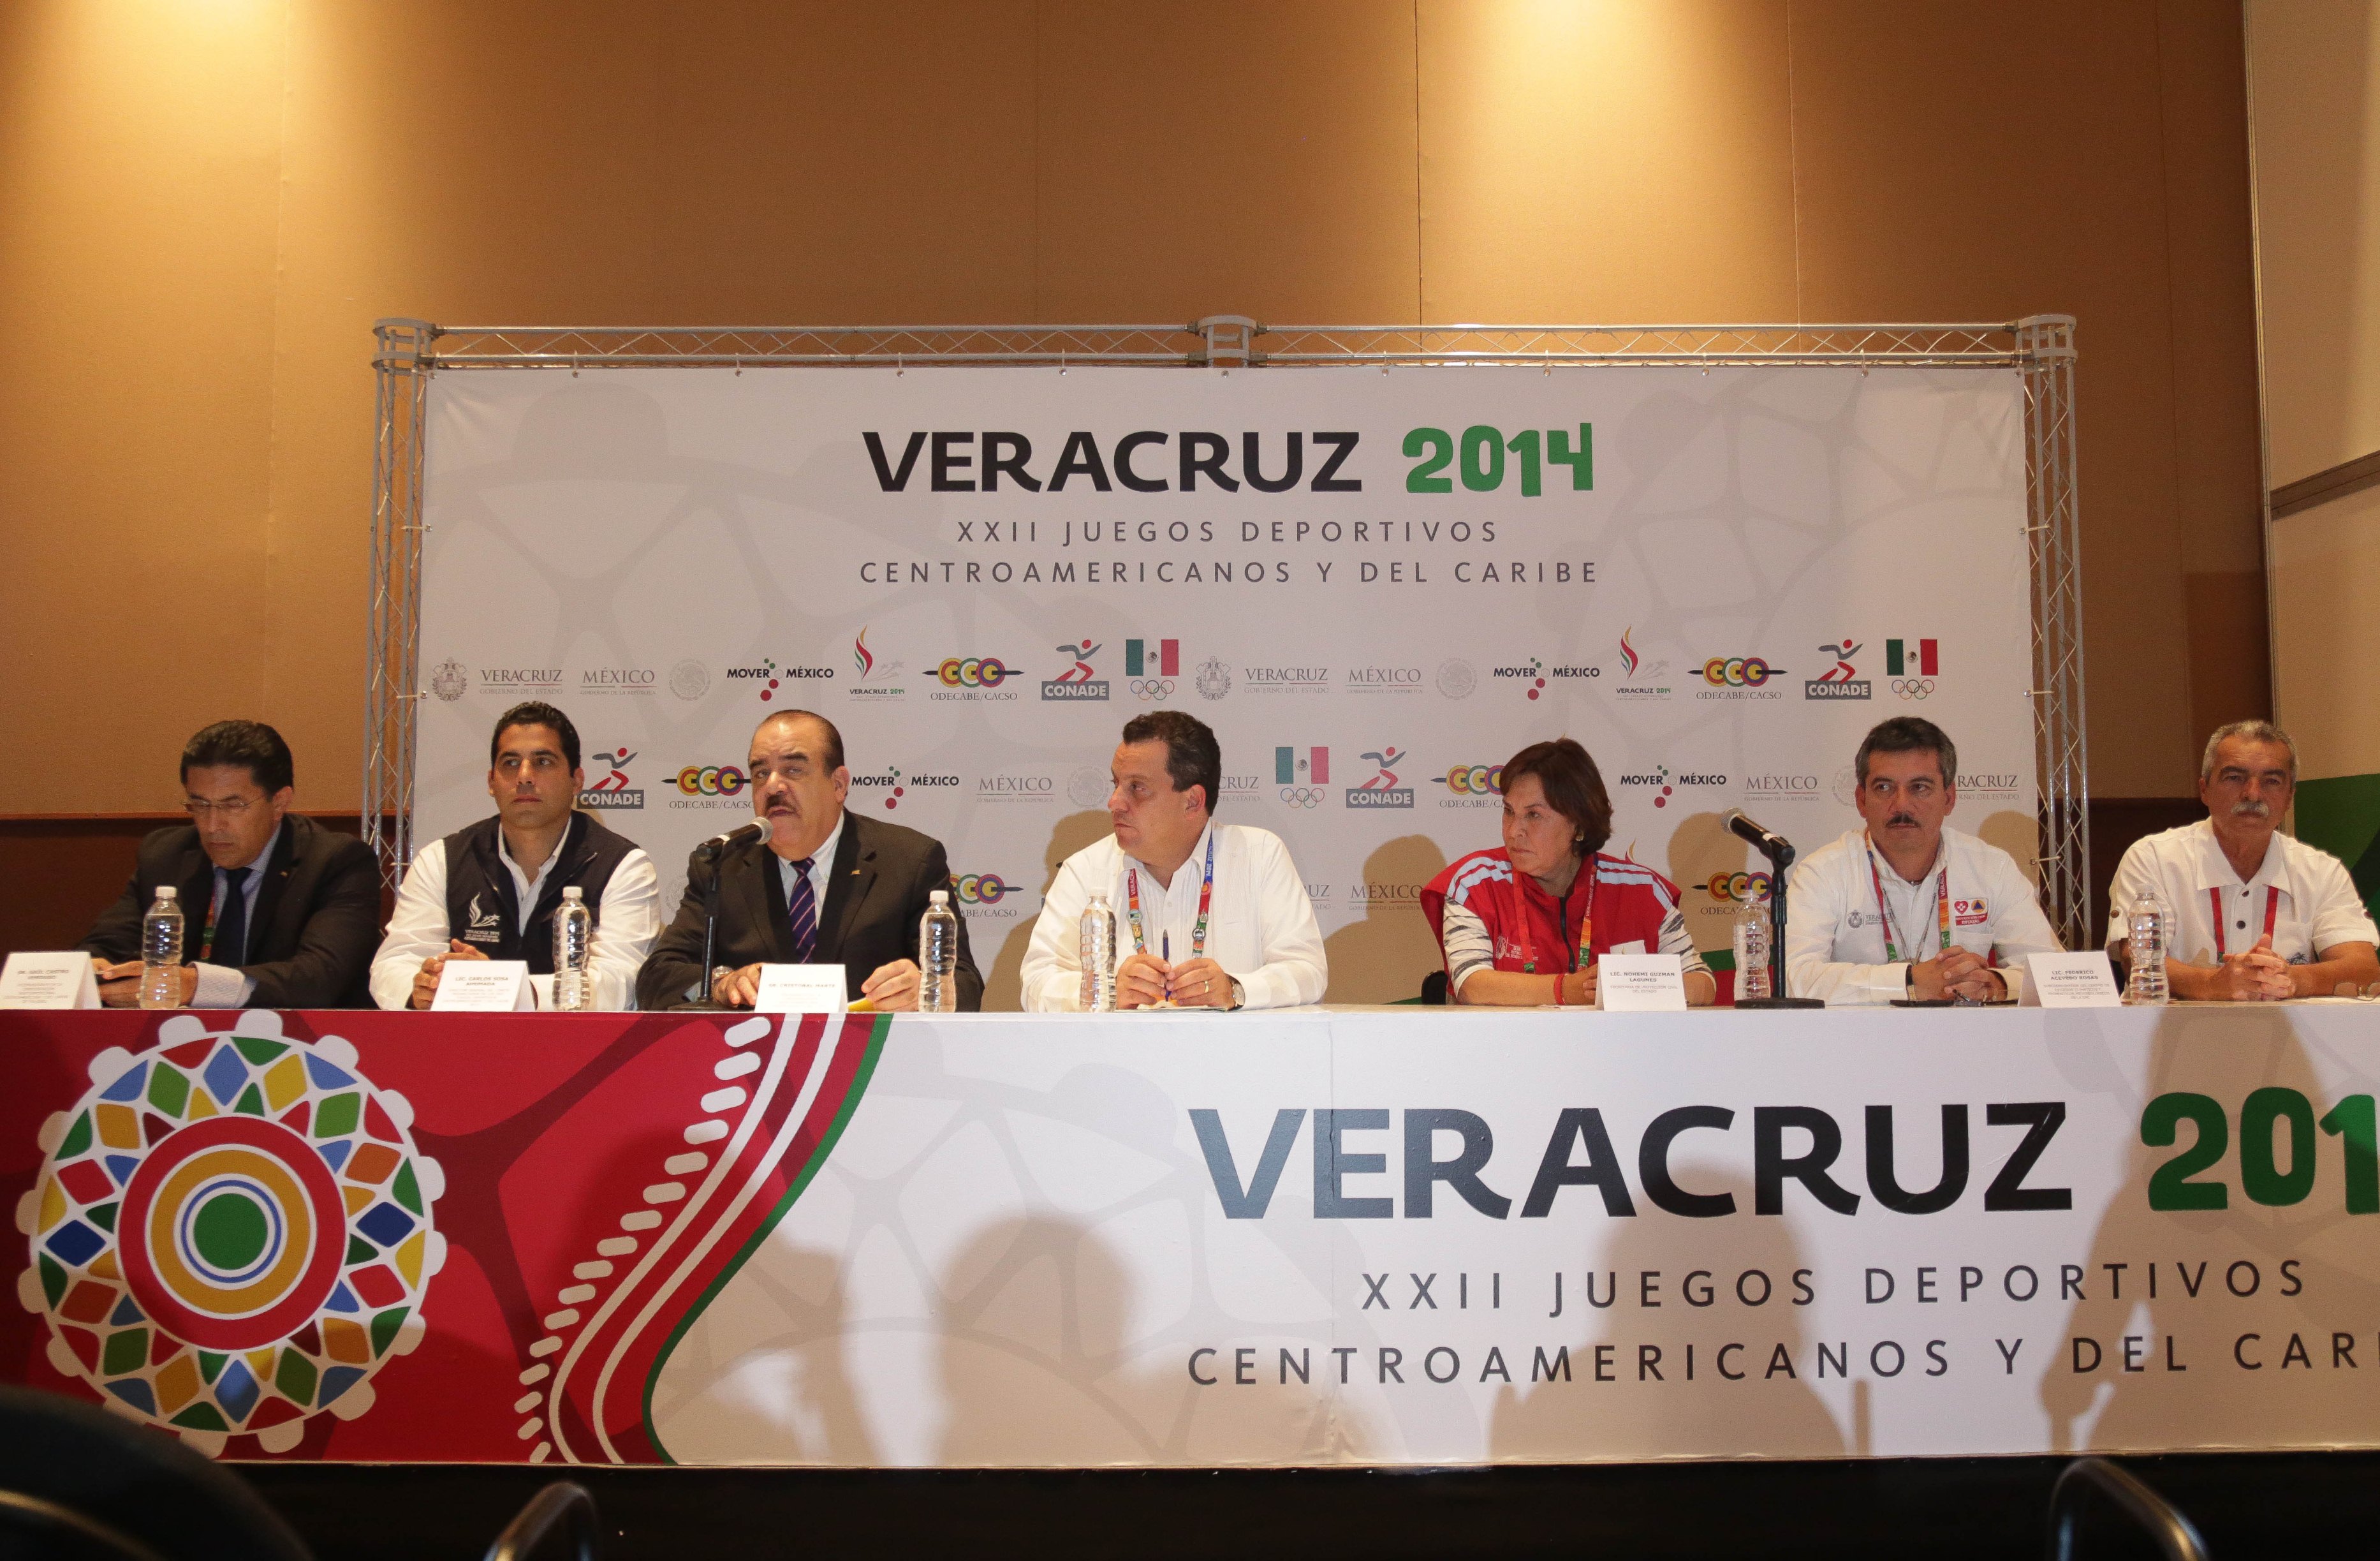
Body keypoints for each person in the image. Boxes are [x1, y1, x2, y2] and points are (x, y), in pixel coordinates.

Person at [635, 709, 980, 1010]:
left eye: (793, 770)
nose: (773, 787)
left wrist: (925, 990)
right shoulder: (724, 865)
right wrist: (720, 984)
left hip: (873, 1062)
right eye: (760, 773)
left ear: (839, 785)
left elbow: (965, 984)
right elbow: (658, 975)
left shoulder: (909, 861)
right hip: (753, 1064)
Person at [1021, 710, 1326, 1010]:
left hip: (1232, 1056)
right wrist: (1107, 990)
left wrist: (1236, 989)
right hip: (1116, 1056)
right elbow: (1037, 983)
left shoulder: (1259, 855)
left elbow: (1307, 971)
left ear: (1192, 800)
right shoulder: (1085, 870)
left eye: (1137, 788)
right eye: (1116, 783)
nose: (1114, 802)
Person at [371, 702, 660, 1010]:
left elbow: (622, 981)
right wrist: (423, 988)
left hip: (577, 1050)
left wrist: (505, 988)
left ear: (576, 780)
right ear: (491, 782)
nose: (524, 776)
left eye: (543, 762)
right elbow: (398, 960)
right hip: (462, 1046)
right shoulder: (442, 860)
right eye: (510, 763)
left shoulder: (623, 865)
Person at [79, 720, 378, 1008]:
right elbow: (105, 945)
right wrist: (97, 970)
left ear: (279, 803)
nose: (212, 826)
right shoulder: (166, 854)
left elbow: (319, 977)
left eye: (232, 806)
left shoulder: (335, 861)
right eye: (200, 804)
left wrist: (197, 985)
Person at [1784, 716, 2062, 1003]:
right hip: (1859, 1042)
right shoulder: (1823, 873)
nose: (1902, 804)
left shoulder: (1992, 868)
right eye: (1884, 788)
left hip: (1966, 1042)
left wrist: (1995, 984)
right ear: (1861, 800)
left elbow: (2054, 974)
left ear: (1949, 798)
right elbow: (1792, 978)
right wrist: (1907, 981)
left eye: (1920, 787)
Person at [1421, 737, 1715, 1006]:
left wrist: (1634, 986)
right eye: (1509, 811)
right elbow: (1472, 985)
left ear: (1579, 825)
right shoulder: (1475, 884)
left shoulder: (1641, 890)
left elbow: (1703, 984)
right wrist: (1565, 990)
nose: (1513, 832)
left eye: (1534, 815)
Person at [2105, 720, 2378, 1000]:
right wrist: (2213, 985)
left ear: (2289, 797)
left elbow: (2364, 968)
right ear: (2205, 790)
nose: (2253, 794)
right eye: (2235, 778)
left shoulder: (2321, 871)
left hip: (2284, 1039)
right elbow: (2139, 962)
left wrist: (2291, 979)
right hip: (2176, 1037)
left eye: (2272, 781)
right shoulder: (2153, 858)